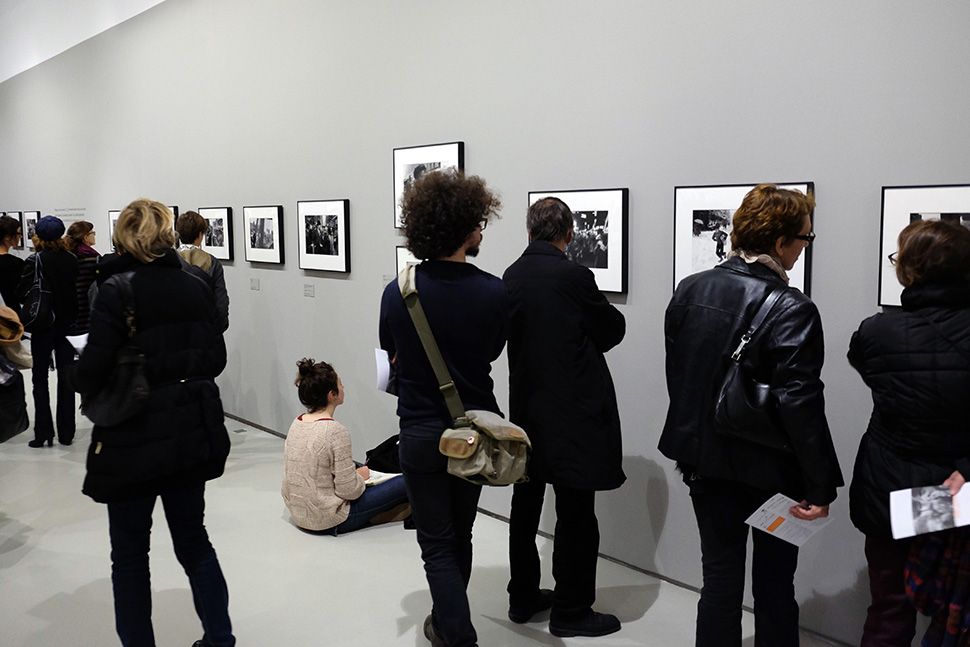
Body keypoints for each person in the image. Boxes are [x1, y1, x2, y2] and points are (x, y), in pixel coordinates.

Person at [659, 184, 843, 647]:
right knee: (775, 585)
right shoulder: (794, 308)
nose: (804, 247)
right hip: (773, 472)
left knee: (718, 580)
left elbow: (681, 379)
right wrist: (819, 486)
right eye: (805, 238)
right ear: (780, 242)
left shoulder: (690, 289)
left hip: (706, 464)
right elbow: (801, 403)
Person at [74, 199, 234, 647]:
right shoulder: (196, 284)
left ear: (124, 235)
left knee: (128, 556)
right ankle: (220, 638)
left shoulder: (117, 289)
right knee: (194, 541)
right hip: (188, 428)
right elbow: (215, 358)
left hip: (132, 436)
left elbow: (92, 373)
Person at [379, 170, 506, 647]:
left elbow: (390, 352)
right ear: (466, 227)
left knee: (435, 542)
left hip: (417, 431)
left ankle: (451, 628)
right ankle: (455, 629)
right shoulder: (494, 292)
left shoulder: (398, 292)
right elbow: (491, 351)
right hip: (472, 430)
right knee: (462, 534)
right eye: (479, 223)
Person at [503, 197, 626, 638]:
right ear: (568, 234)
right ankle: (571, 610)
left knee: (526, 504)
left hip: (527, 412)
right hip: (573, 415)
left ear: (529, 231)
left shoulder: (512, 276)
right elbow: (611, 329)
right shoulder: (575, 277)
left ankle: (522, 597)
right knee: (575, 514)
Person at [848, 219, 970, 646]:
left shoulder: (875, 332)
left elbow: (866, 369)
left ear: (909, 269)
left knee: (889, 605)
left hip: (892, 486)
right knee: (955, 609)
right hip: (956, 491)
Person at [282, 358, 410, 534]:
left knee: (357, 469)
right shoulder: (335, 431)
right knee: (408, 480)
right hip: (330, 518)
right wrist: (360, 478)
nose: (344, 388)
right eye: (340, 384)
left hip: (298, 512)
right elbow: (350, 492)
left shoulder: (297, 422)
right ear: (331, 395)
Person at [16, 215, 78, 448]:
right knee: (66, 378)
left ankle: (43, 433)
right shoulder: (71, 259)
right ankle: (66, 432)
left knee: (39, 379)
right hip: (66, 324)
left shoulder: (35, 260)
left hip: (43, 325)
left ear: (39, 236)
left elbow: (23, 292)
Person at [176, 210, 229, 331]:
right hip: (205, 330)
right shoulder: (212, 262)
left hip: (175, 332)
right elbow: (221, 303)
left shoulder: (168, 260)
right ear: (200, 235)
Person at [65, 220, 101, 334]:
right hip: (87, 307)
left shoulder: (69, 256)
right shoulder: (92, 258)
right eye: (93, 233)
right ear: (85, 237)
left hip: (71, 307)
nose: (94, 235)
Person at [0, 215, 25, 316]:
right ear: (7, 237)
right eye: (18, 233)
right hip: (11, 314)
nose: (21, 236)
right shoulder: (16, 264)